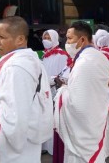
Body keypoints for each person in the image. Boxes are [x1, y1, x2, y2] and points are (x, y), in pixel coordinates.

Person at [0, 16, 53, 162]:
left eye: (1, 37)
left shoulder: (16, 68)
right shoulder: (27, 60)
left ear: (20, 39)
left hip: (16, 147)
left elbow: (15, 119)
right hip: (27, 139)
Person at [54, 21, 109, 162]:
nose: (66, 42)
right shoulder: (98, 55)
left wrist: (63, 90)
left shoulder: (84, 62)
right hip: (96, 115)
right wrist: (95, 93)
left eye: (69, 38)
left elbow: (76, 103)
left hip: (84, 125)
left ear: (82, 39)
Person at [40, 29, 71, 161]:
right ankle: (45, 144)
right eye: (44, 37)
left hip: (55, 90)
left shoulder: (61, 54)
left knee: (54, 118)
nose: (46, 39)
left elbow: (64, 73)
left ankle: (53, 146)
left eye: (48, 37)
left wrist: (53, 80)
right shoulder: (45, 55)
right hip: (44, 90)